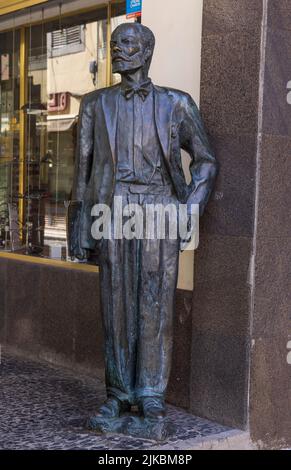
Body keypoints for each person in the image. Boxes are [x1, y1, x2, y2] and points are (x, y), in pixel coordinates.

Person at [69, 23, 217, 421]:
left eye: (128, 43)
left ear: (147, 51)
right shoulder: (94, 105)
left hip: (161, 211)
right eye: (115, 44)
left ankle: (152, 392)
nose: (118, 49)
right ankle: (117, 393)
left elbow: (205, 160)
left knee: (155, 305)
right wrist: (79, 228)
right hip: (111, 210)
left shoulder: (177, 103)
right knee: (114, 306)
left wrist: (190, 209)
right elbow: (82, 171)